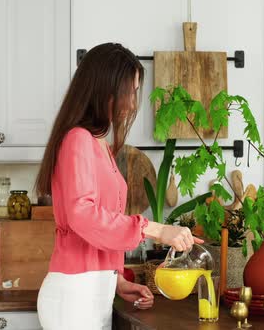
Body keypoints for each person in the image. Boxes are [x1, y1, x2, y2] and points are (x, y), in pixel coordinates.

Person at [34, 43, 203, 330]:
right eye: (129, 92)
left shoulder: (99, 143)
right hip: (74, 299)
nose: (133, 104)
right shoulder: (78, 139)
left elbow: (98, 228)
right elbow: (83, 215)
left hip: (91, 295)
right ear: (103, 90)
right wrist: (159, 230)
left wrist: (118, 281)